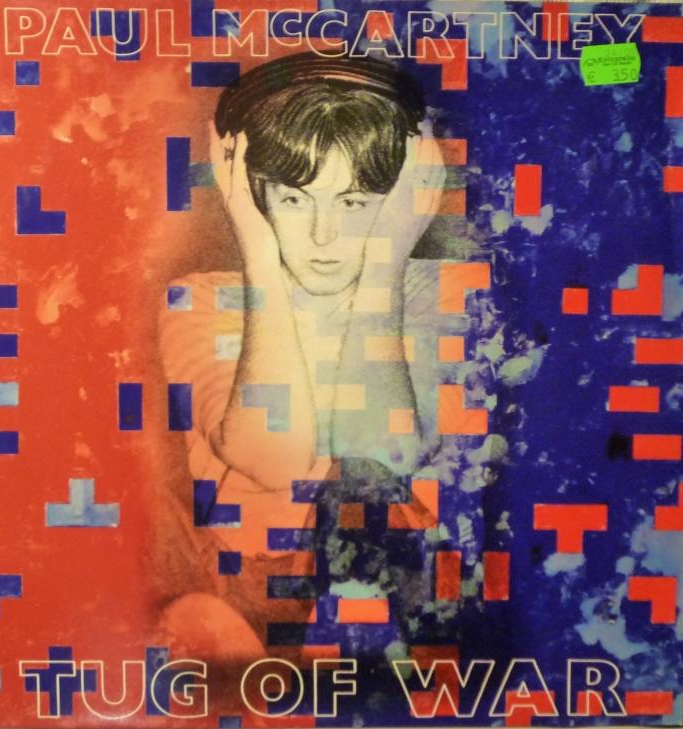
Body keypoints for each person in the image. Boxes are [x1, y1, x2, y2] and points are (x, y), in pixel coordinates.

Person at [154, 55, 457, 664]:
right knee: (191, 610)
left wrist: (385, 264)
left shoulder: (440, 293)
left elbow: (381, 451)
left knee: (361, 485)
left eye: (354, 203)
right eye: (294, 199)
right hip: (251, 587)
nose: (323, 237)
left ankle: (352, 654)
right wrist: (259, 254)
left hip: (399, 597)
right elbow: (275, 458)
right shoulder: (202, 300)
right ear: (252, 193)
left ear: (404, 197)